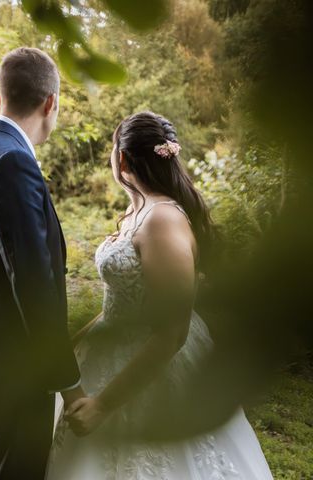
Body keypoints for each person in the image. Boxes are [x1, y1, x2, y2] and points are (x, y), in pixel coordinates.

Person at [46, 111, 274, 479]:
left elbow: (172, 332)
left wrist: (103, 405)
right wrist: (73, 343)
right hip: (108, 351)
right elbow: (117, 303)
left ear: (121, 158)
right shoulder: (136, 211)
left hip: (152, 367)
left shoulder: (163, 220)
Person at [0, 47, 87, 479]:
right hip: (13, 365)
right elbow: (33, 281)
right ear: (51, 102)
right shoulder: (12, 162)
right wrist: (69, 382)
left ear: (0, 94)